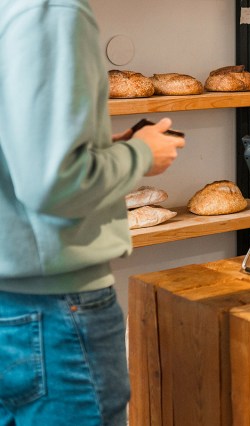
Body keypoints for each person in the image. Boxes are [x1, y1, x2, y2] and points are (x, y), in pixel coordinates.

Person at [0, 0, 185, 424]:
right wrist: (141, 154)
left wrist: (97, 147)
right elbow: (53, 183)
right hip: (54, 313)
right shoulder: (53, 9)